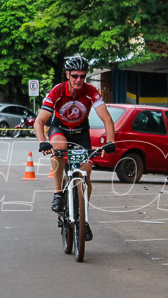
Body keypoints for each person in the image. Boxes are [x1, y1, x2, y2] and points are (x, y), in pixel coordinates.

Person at [34, 56, 116, 242]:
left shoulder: (90, 92)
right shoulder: (57, 91)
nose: (79, 80)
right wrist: (42, 142)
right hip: (60, 129)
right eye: (75, 76)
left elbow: (107, 119)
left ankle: (83, 218)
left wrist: (110, 142)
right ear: (68, 75)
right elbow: (40, 121)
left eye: (82, 76)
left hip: (80, 133)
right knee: (59, 148)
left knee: (86, 172)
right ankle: (57, 194)